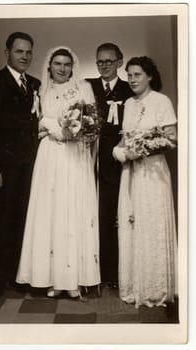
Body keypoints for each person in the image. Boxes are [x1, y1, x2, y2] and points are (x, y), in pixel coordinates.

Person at [16, 46, 100, 298]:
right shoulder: (41, 89)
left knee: (72, 209)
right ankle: (50, 277)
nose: (62, 69)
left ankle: (73, 279)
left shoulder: (83, 88)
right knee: (50, 211)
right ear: (50, 66)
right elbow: (39, 119)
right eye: (57, 64)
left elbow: (92, 120)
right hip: (51, 154)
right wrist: (56, 128)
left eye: (66, 64)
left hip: (75, 155)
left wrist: (78, 129)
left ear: (72, 66)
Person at [0, 32, 41, 304]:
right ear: (7, 53)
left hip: (29, 168)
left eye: (29, 52)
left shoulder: (37, 84)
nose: (25, 57)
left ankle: (13, 279)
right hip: (2, 169)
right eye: (19, 52)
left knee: (21, 224)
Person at [113, 56, 178, 308]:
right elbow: (121, 144)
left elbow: (171, 139)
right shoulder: (128, 104)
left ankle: (157, 287)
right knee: (132, 225)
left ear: (150, 76)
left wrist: (143, 149)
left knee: (152, 223)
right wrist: (121, 154)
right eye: (129, 75)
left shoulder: (161, 101)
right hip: (131, 175)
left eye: (137, 74)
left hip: (153, 174)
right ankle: (135, 285)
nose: (132, 79)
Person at [86, 43, 133, 288]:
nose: (104, 65)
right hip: (86, 163)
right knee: (90, 217)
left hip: (113, 165)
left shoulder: (129, 89)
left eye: (108, 61)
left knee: (111, 217)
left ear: (119, 62)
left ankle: (112, 274)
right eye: (99, 61)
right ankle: (91, 273)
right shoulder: (87, 87)